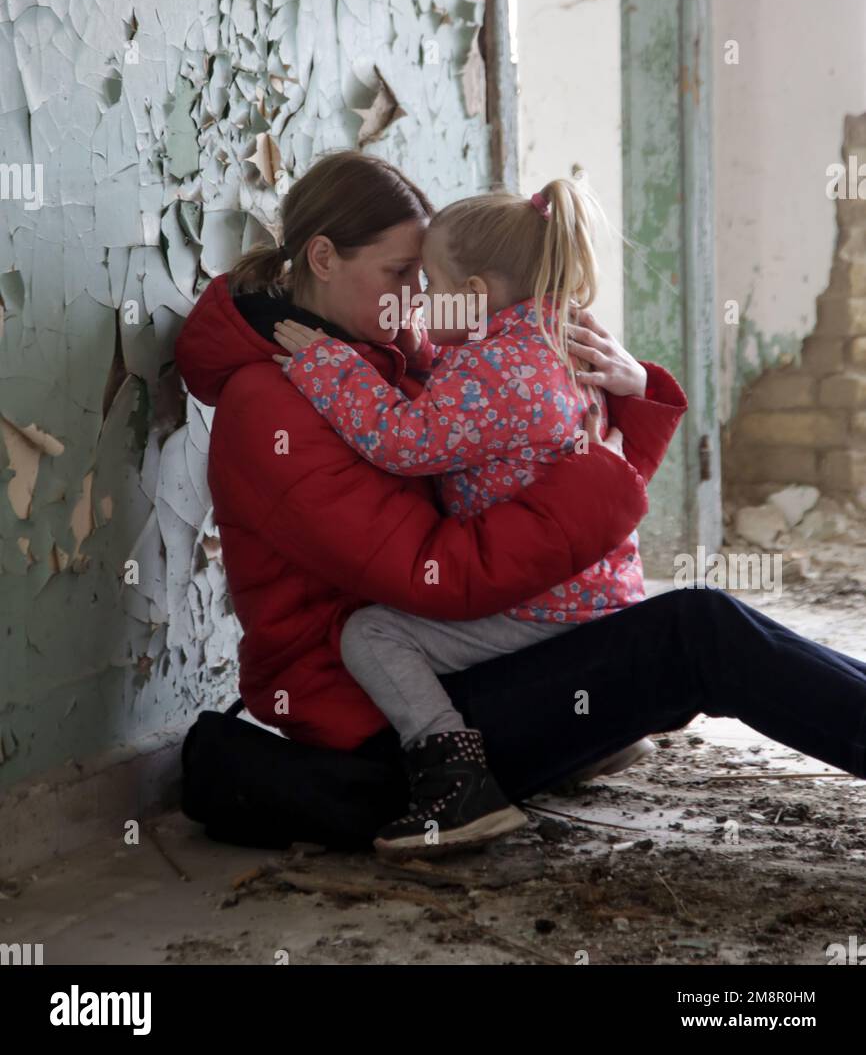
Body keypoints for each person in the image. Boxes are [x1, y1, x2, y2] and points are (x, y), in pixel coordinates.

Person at [174, 150, 866, 853]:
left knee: (696, 627)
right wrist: (605, 476)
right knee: (696, 632)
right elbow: (436, 573)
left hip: (464, 660)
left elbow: (534, 475)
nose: (418, 295)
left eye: (424, 275)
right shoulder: (273, 405)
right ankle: (462, 793)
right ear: (323, 257)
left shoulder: (388, 355)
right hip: (398, 726)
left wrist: (619, 398)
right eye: (400, 274)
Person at [271, 176, 666, 854]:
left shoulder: (493, 374)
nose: (416, 299)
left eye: (426, 281)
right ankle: (599, 731)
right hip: (599, 591)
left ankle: (455, 779)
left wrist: (327, 364)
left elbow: (404, 441)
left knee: (372, 636)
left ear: (475, 294)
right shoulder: (552, 342)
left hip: (549, 602)